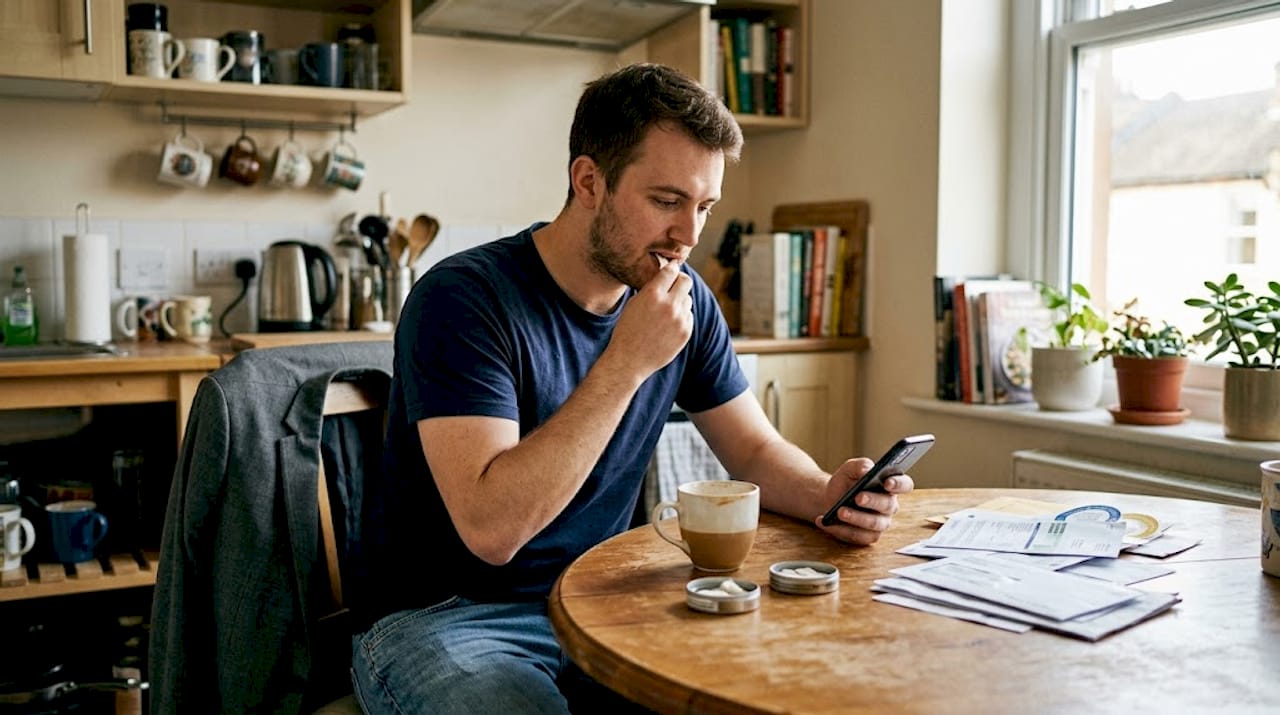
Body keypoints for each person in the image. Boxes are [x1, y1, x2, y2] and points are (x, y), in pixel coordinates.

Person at [350, 62, 915, 714]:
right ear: (588, 181)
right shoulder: (461, 300)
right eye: (667, 201)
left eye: (704, 207)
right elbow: (491, 529)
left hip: (597, 601)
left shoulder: (683, 301)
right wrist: (626, 363)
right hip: (446, 617)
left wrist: (826, 493)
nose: (690, 236)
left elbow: (755, 451)